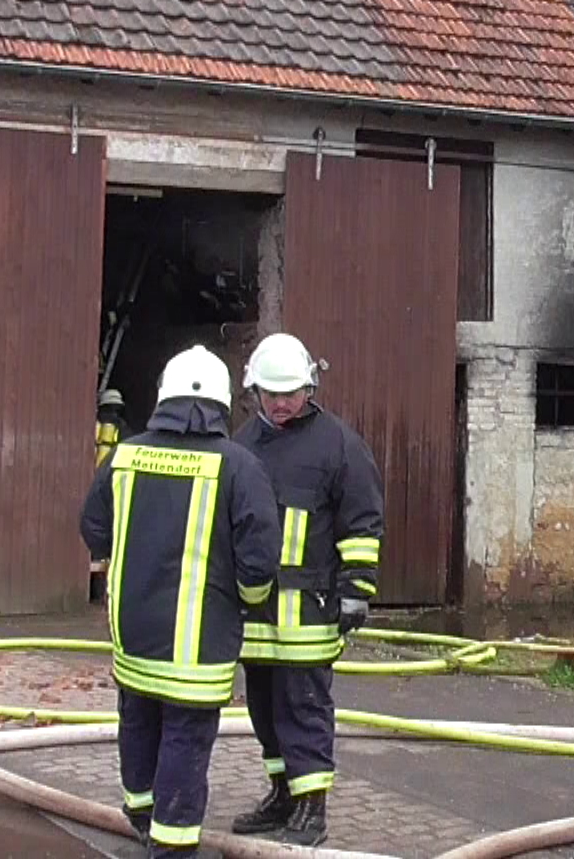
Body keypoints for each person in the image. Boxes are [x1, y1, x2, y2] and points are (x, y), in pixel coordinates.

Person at [81, 346, 281, 858]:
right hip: (198, 646)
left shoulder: (125, 455)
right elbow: (259, 559)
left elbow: (94, 529)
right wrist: (248, 601)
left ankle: (140, 811)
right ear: (221, 402)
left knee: (138, 721)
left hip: (132, 634)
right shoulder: (239, 466)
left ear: (163, 395)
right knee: (185, 741)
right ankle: (170, 846)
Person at [228, 334, 384, 847]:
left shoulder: (338, 445)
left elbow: (362, 519)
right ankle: (282, 795)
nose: (280, 403)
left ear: (309, 388)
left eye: (290, 393)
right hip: (256, 613)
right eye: (271, 393)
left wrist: (357, 587)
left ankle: (312, 808)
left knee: (305, 710)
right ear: (254, 390)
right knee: (263, 710)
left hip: (310, 613)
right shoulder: (242, 446)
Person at [96, 388, 130, 464]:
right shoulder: (92, 425)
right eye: (108, 410)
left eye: (117, 411)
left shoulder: (122, 427)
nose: (113, 415)